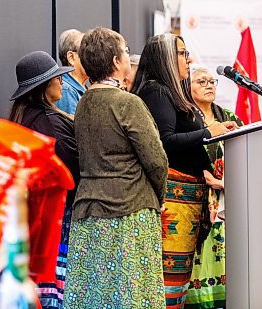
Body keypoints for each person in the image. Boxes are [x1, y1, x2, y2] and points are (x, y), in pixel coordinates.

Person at [63, 27, 168, 308]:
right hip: (131, 210)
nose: (126, 56)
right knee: (133, 294)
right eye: (124, 51)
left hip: (88, 209)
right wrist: (159, 197)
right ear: (115, 62)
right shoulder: (128, 103)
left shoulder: (83, 103)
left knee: (94, 295)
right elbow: (156, 160)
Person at [131, 33, 237, 308]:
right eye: (182, 53)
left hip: (187, 199)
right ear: (164, 58)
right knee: (169, 284)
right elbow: (164, 142)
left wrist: (205, 165)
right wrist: (207, 132)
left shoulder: (167, 91)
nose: (188, 59)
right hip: (175, 202)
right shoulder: (157, 91)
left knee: (177, 283)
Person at [9, 50, 80, 309]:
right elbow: (71, 172)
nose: (61, 82)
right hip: (58, 218)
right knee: (56, 291)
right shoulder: (51, 123)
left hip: (32, 217)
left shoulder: (21, 119)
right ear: (42, 87)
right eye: (56, 78)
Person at [185, 65, 243, 309]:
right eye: (201, 81)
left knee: (226, 258)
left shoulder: (230, 118)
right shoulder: (185, 121)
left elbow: (244, 157)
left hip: (225, 202)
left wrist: (223, 182)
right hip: (192, 201)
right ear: (187, 88)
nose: (209, 85)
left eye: (212, 81)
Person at [55, 29, 89, 115]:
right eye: (87, 52)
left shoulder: (81, 87)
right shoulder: (66, 91)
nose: (92, 56)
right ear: (71, 57)